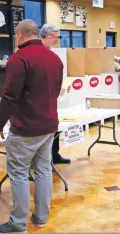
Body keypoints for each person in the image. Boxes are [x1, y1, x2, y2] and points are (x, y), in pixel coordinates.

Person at [0, 19, 63, 233]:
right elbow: (56, 90)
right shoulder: (54, 59)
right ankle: (41, 217)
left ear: (20, 35)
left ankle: (18, 223)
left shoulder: (18, 58)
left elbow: (9, 96)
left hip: (25, 127)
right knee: (43, 170)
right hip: (49, 125)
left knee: (19, 174)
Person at [40, 23, 71, 164]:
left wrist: (60, 87)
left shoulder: (51, 51)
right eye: (55, 37)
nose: (57, 40)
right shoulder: (37, 52)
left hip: (52, 97)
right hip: (40, 98)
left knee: (55, 126)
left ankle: (54, 155)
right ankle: (44, 160)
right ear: (47, 35)